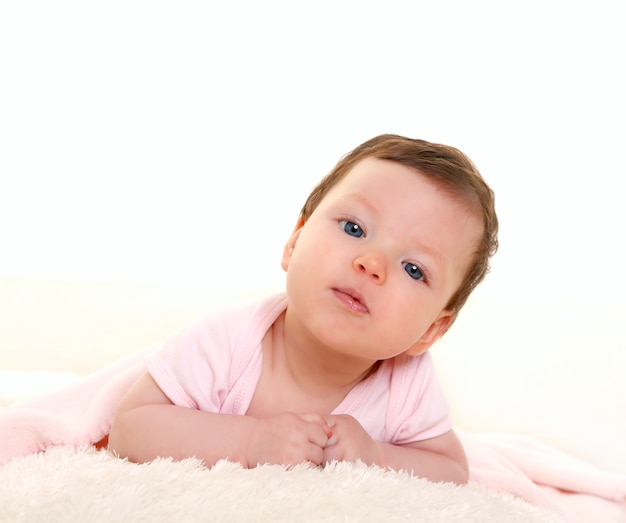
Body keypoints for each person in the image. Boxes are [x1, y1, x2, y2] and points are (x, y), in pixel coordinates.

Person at [108, 134, 498, 485]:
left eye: (413, 269)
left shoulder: (407, 384)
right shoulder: (228, 341)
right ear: (295, 241)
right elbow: (130, 426)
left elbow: (451, 471)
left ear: (431, 329)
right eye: (354, 229)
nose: (372, 263)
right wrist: (250, 443)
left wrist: (376, 455)